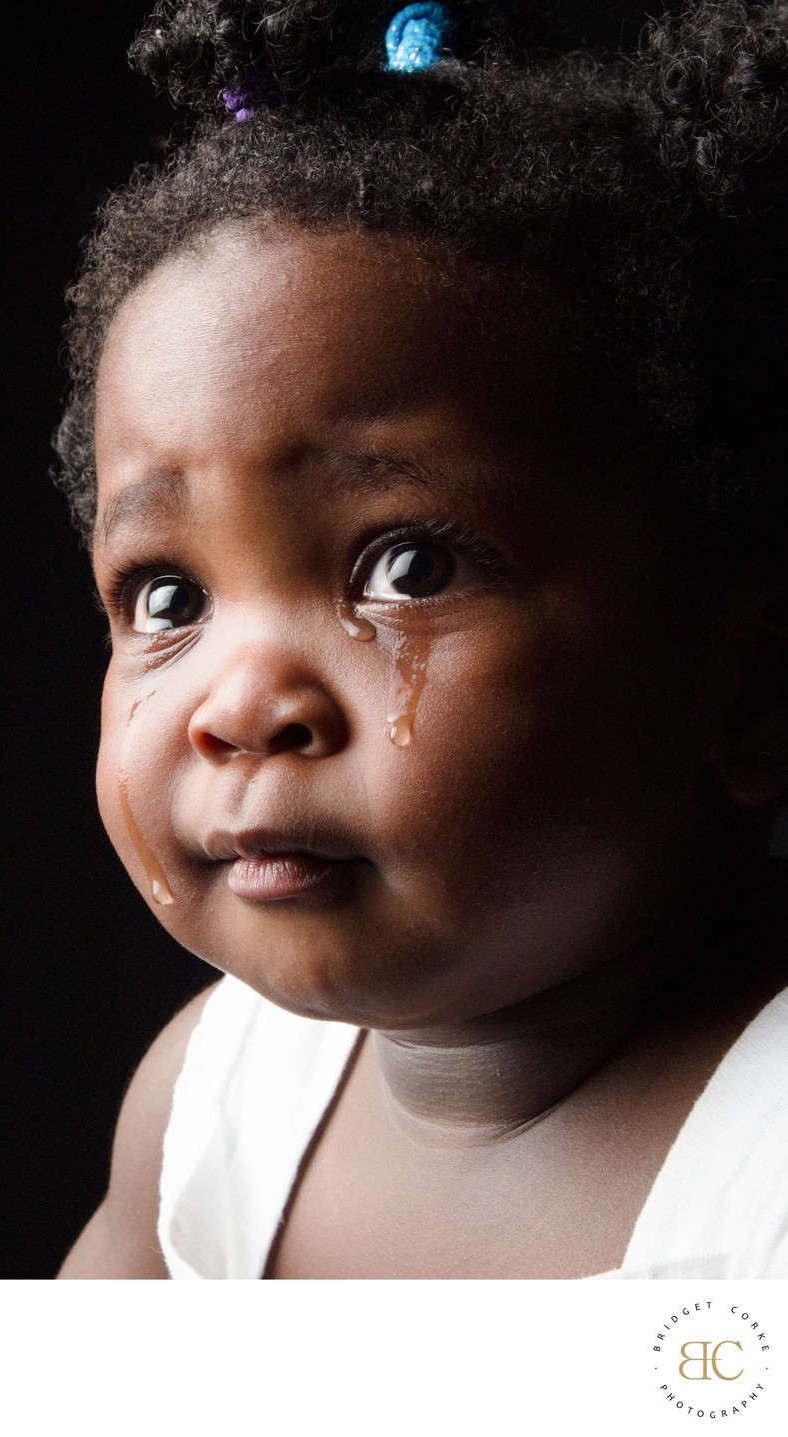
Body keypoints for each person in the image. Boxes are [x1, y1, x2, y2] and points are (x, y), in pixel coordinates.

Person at [55, 0, 787, 1279]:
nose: (240, 703)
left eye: (407, 566)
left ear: (747, 685)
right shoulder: (210, 1105)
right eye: (168, 598)